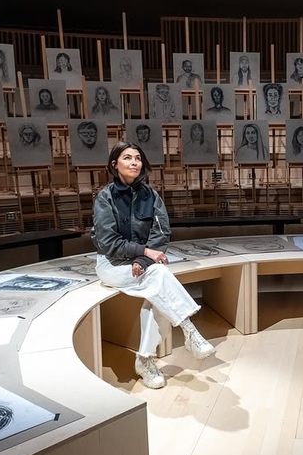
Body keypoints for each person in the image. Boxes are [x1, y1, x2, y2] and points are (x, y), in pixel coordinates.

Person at [91, 141, 215, 388]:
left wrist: (142, 259)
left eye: (137, 158)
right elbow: (108, 242)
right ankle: (188, 330)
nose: (134, 162)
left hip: (143, 264)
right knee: (159, 275)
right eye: (127, 158)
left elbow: (161, 234)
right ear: (115, 164)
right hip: (112, 264)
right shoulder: (105, 197)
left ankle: (145, 360)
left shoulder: (151, 195)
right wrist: (144, 252)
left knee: (157, 291)